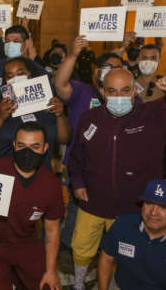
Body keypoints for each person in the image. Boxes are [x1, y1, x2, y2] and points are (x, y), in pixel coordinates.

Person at [68, 68, 166, 290]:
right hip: (93, 201)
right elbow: (76, 155)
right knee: (81, 247)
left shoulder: (155, 115)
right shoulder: (89, 118)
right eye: (112, 91)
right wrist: (78, 183)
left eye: (125, 90)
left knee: (128, 253)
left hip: (134, 207)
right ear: (102, 92)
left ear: (134, 89)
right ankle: (79, 283)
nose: (119, 97)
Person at [0, 122, 64, 290]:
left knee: (45, 285)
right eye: (21, 145)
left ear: (45, 148)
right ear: (14, 146)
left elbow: (52, 231)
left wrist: (51, 270)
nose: (27, 152)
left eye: (35, 146)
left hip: (26, 242)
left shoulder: (51, 185)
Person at [54, 36, 124, 247]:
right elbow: (59, 84)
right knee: (76, 209)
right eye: (106, 68)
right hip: (78, 165)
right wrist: (74, 54)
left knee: (107, 212)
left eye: (117, 68)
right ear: (96, 71)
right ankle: (69, 247)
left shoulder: (128, 99)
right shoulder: (83, 90)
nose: (111, 72)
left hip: (112, 168)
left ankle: (103, 250)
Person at [0, 56, 71, 170]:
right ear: (6, 81)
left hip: (42, 174)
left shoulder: (47, 100)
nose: (15, 78)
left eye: (20, 73)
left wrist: (60, 115)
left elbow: (65, 139)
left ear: (30, 74)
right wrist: (0, 117)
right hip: (5, 174)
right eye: (10, 76)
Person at [98, 179, 166, 290]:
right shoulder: (122, 224)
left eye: (163, 207)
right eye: (149, 203)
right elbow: (106, 258)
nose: (153, 212)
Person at [0, 25, 45, 143]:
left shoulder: (38, 70)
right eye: (7, 41)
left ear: (26, 44)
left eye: (16, 41)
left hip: (29, 134)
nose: (11, 45)